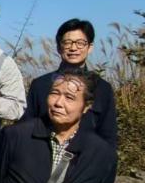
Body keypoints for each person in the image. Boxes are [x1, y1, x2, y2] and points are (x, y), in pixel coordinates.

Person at [24, 19, 117, 147]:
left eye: (80, 43)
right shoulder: (40, 85)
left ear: (90, 47)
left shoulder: (102, 88)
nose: (73, 48)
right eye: (67, 43)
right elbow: (27, 128)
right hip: (43, 153)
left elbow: (108, 135)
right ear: (58, 47)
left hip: (87, 156)